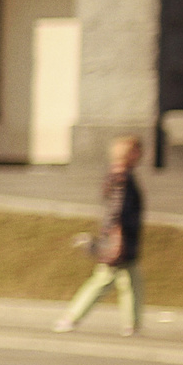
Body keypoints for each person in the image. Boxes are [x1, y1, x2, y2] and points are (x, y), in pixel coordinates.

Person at [57, 135, 147, 336]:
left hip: (124, 238)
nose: (140, 155)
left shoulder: (119, 176)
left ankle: (131, 324)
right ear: (129, 153)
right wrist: (117, 237)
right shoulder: (121, 179)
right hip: (120, 239)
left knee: (131, 281)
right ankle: (71, 317)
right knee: (103, 280)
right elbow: (117, 211)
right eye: (137, 151)